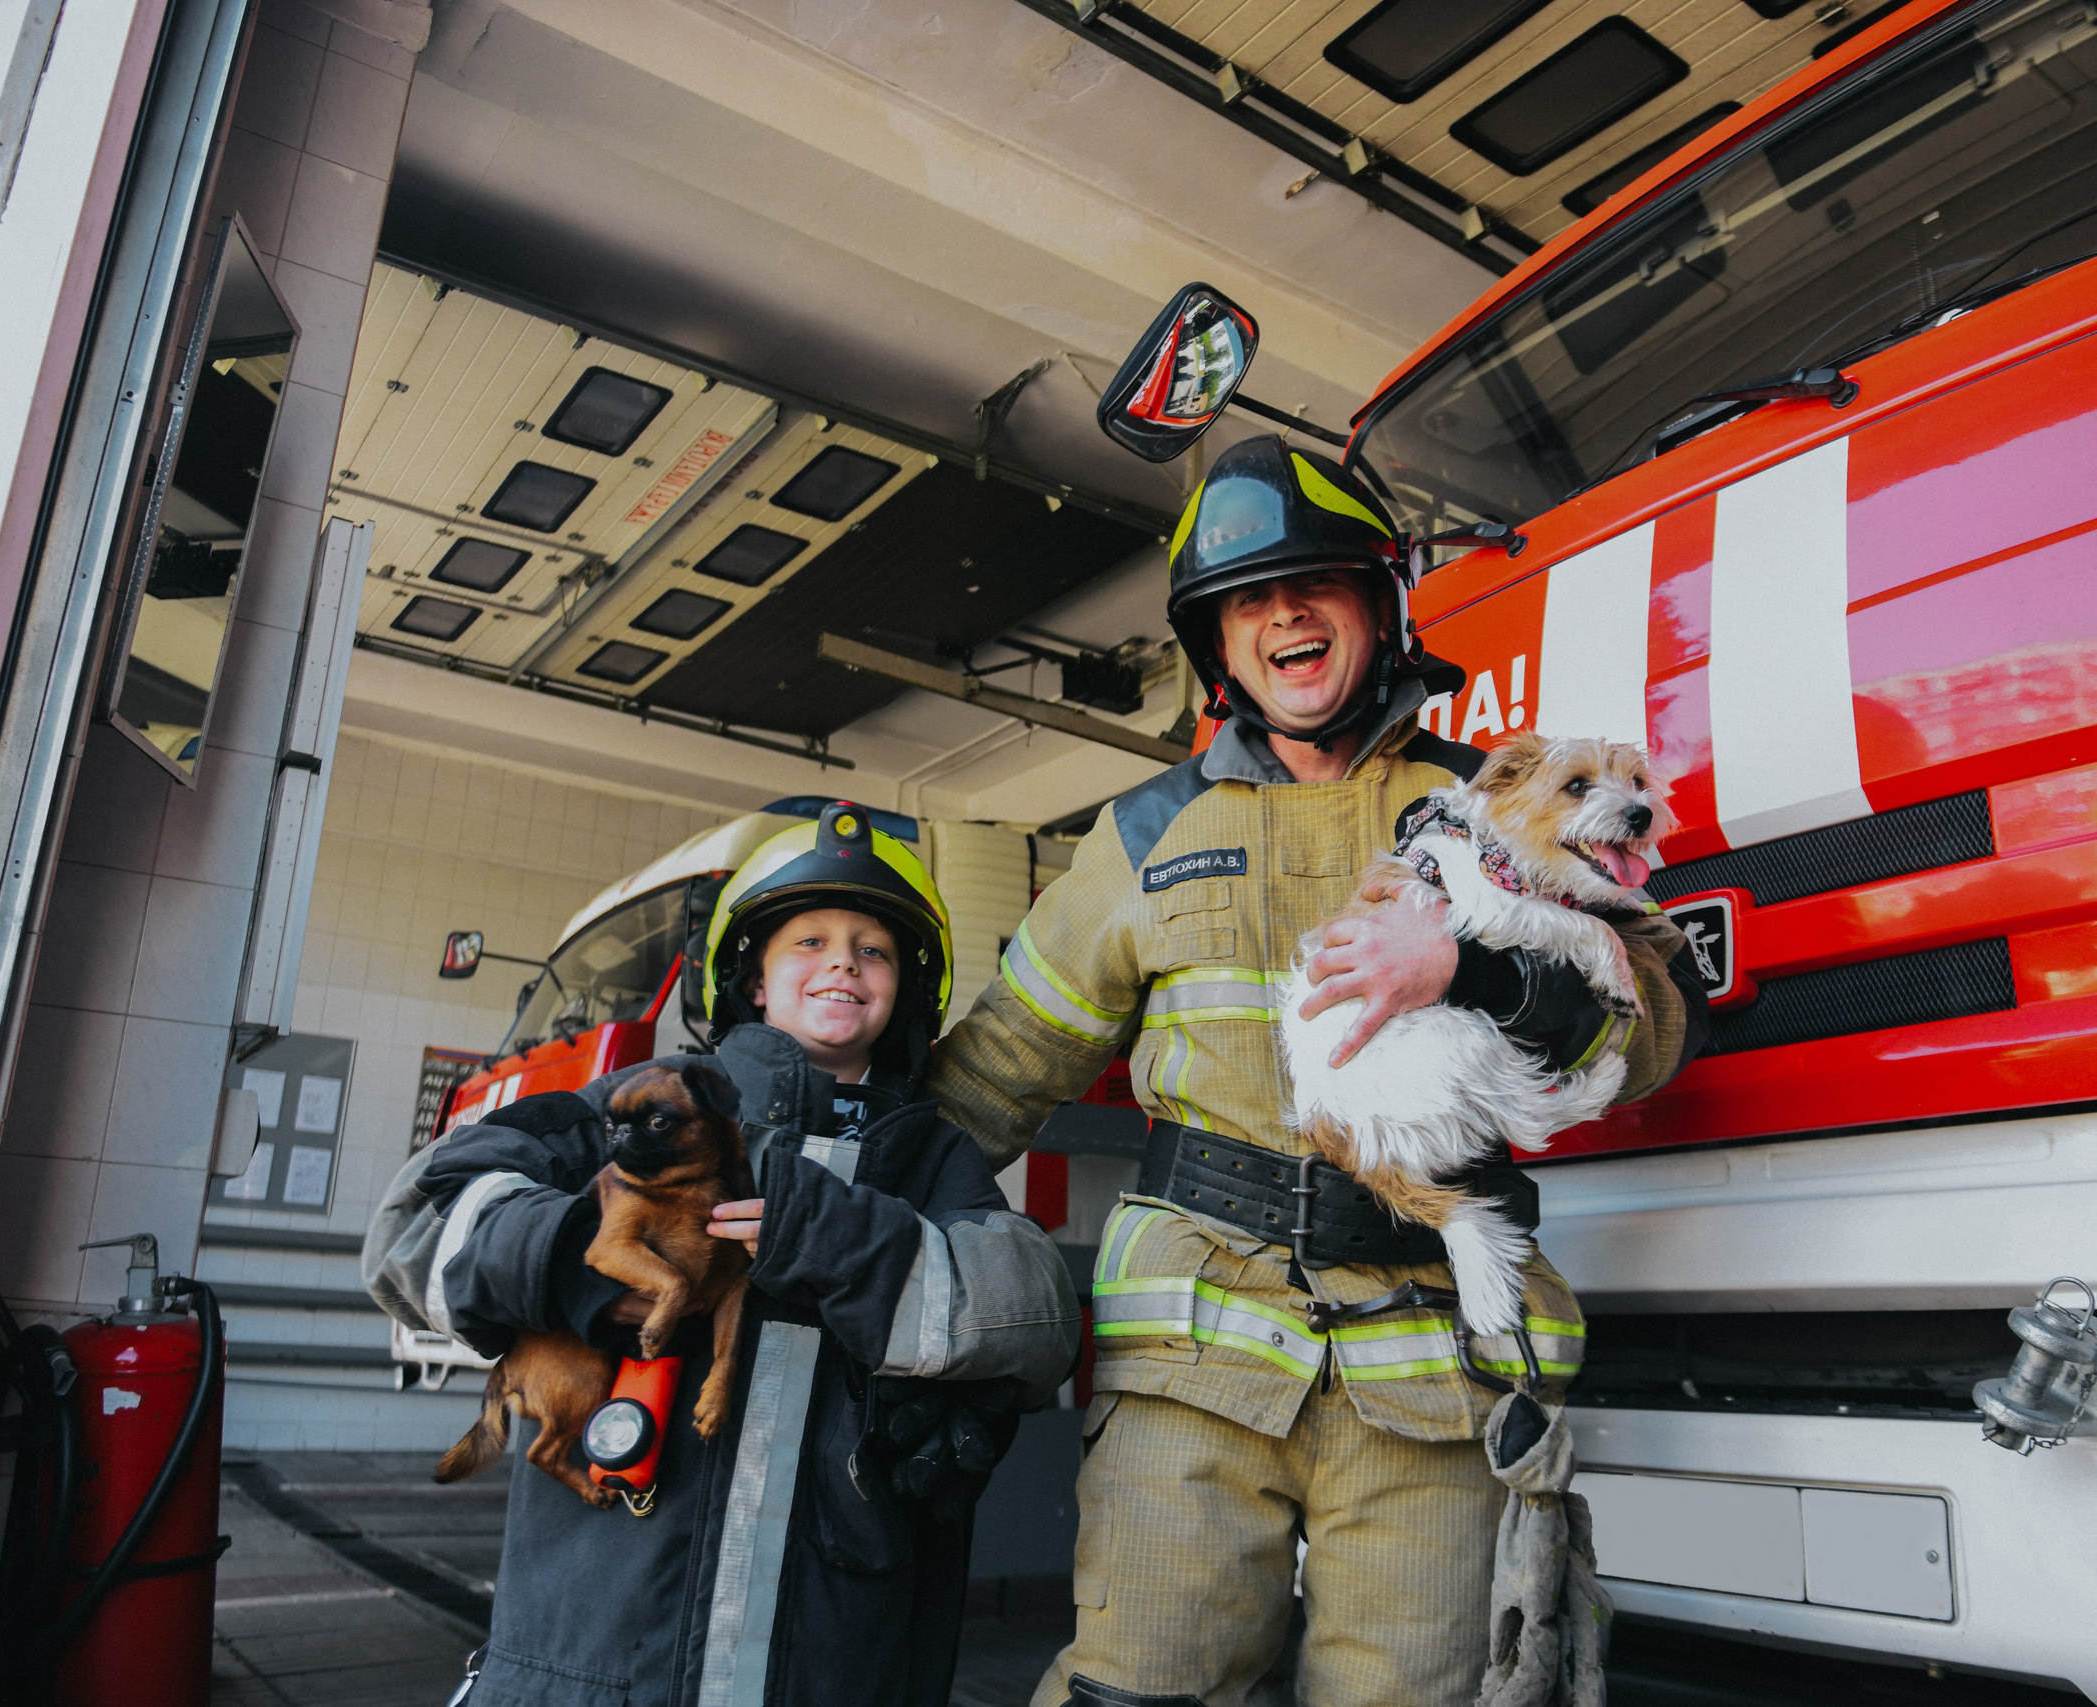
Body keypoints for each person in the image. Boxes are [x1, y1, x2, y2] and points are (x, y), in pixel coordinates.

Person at [927, 435, 1709, 1707]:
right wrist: (810, 1193)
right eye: (1245, 599)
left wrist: (1476, 971)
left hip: (1429, 1365)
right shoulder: (1141, 834)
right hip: (1189, 1361)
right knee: (1140, 1692)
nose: (1281, 613)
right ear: (1216, 647)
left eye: (1314, 584)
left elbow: (1654, 1034)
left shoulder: (1492, 800)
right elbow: (999, 1070)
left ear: (1379, 607)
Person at [365, 805, 1080, 1707]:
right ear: (749, 980)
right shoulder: (631, 1106)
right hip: (591, 1669)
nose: (842, 964)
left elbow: (1039, 1316)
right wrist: (569, 1261)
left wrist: (842, 1238)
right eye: (808, 941)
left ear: (908, 985)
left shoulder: (928, 1160)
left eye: (873, 950)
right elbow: (407, 1225)